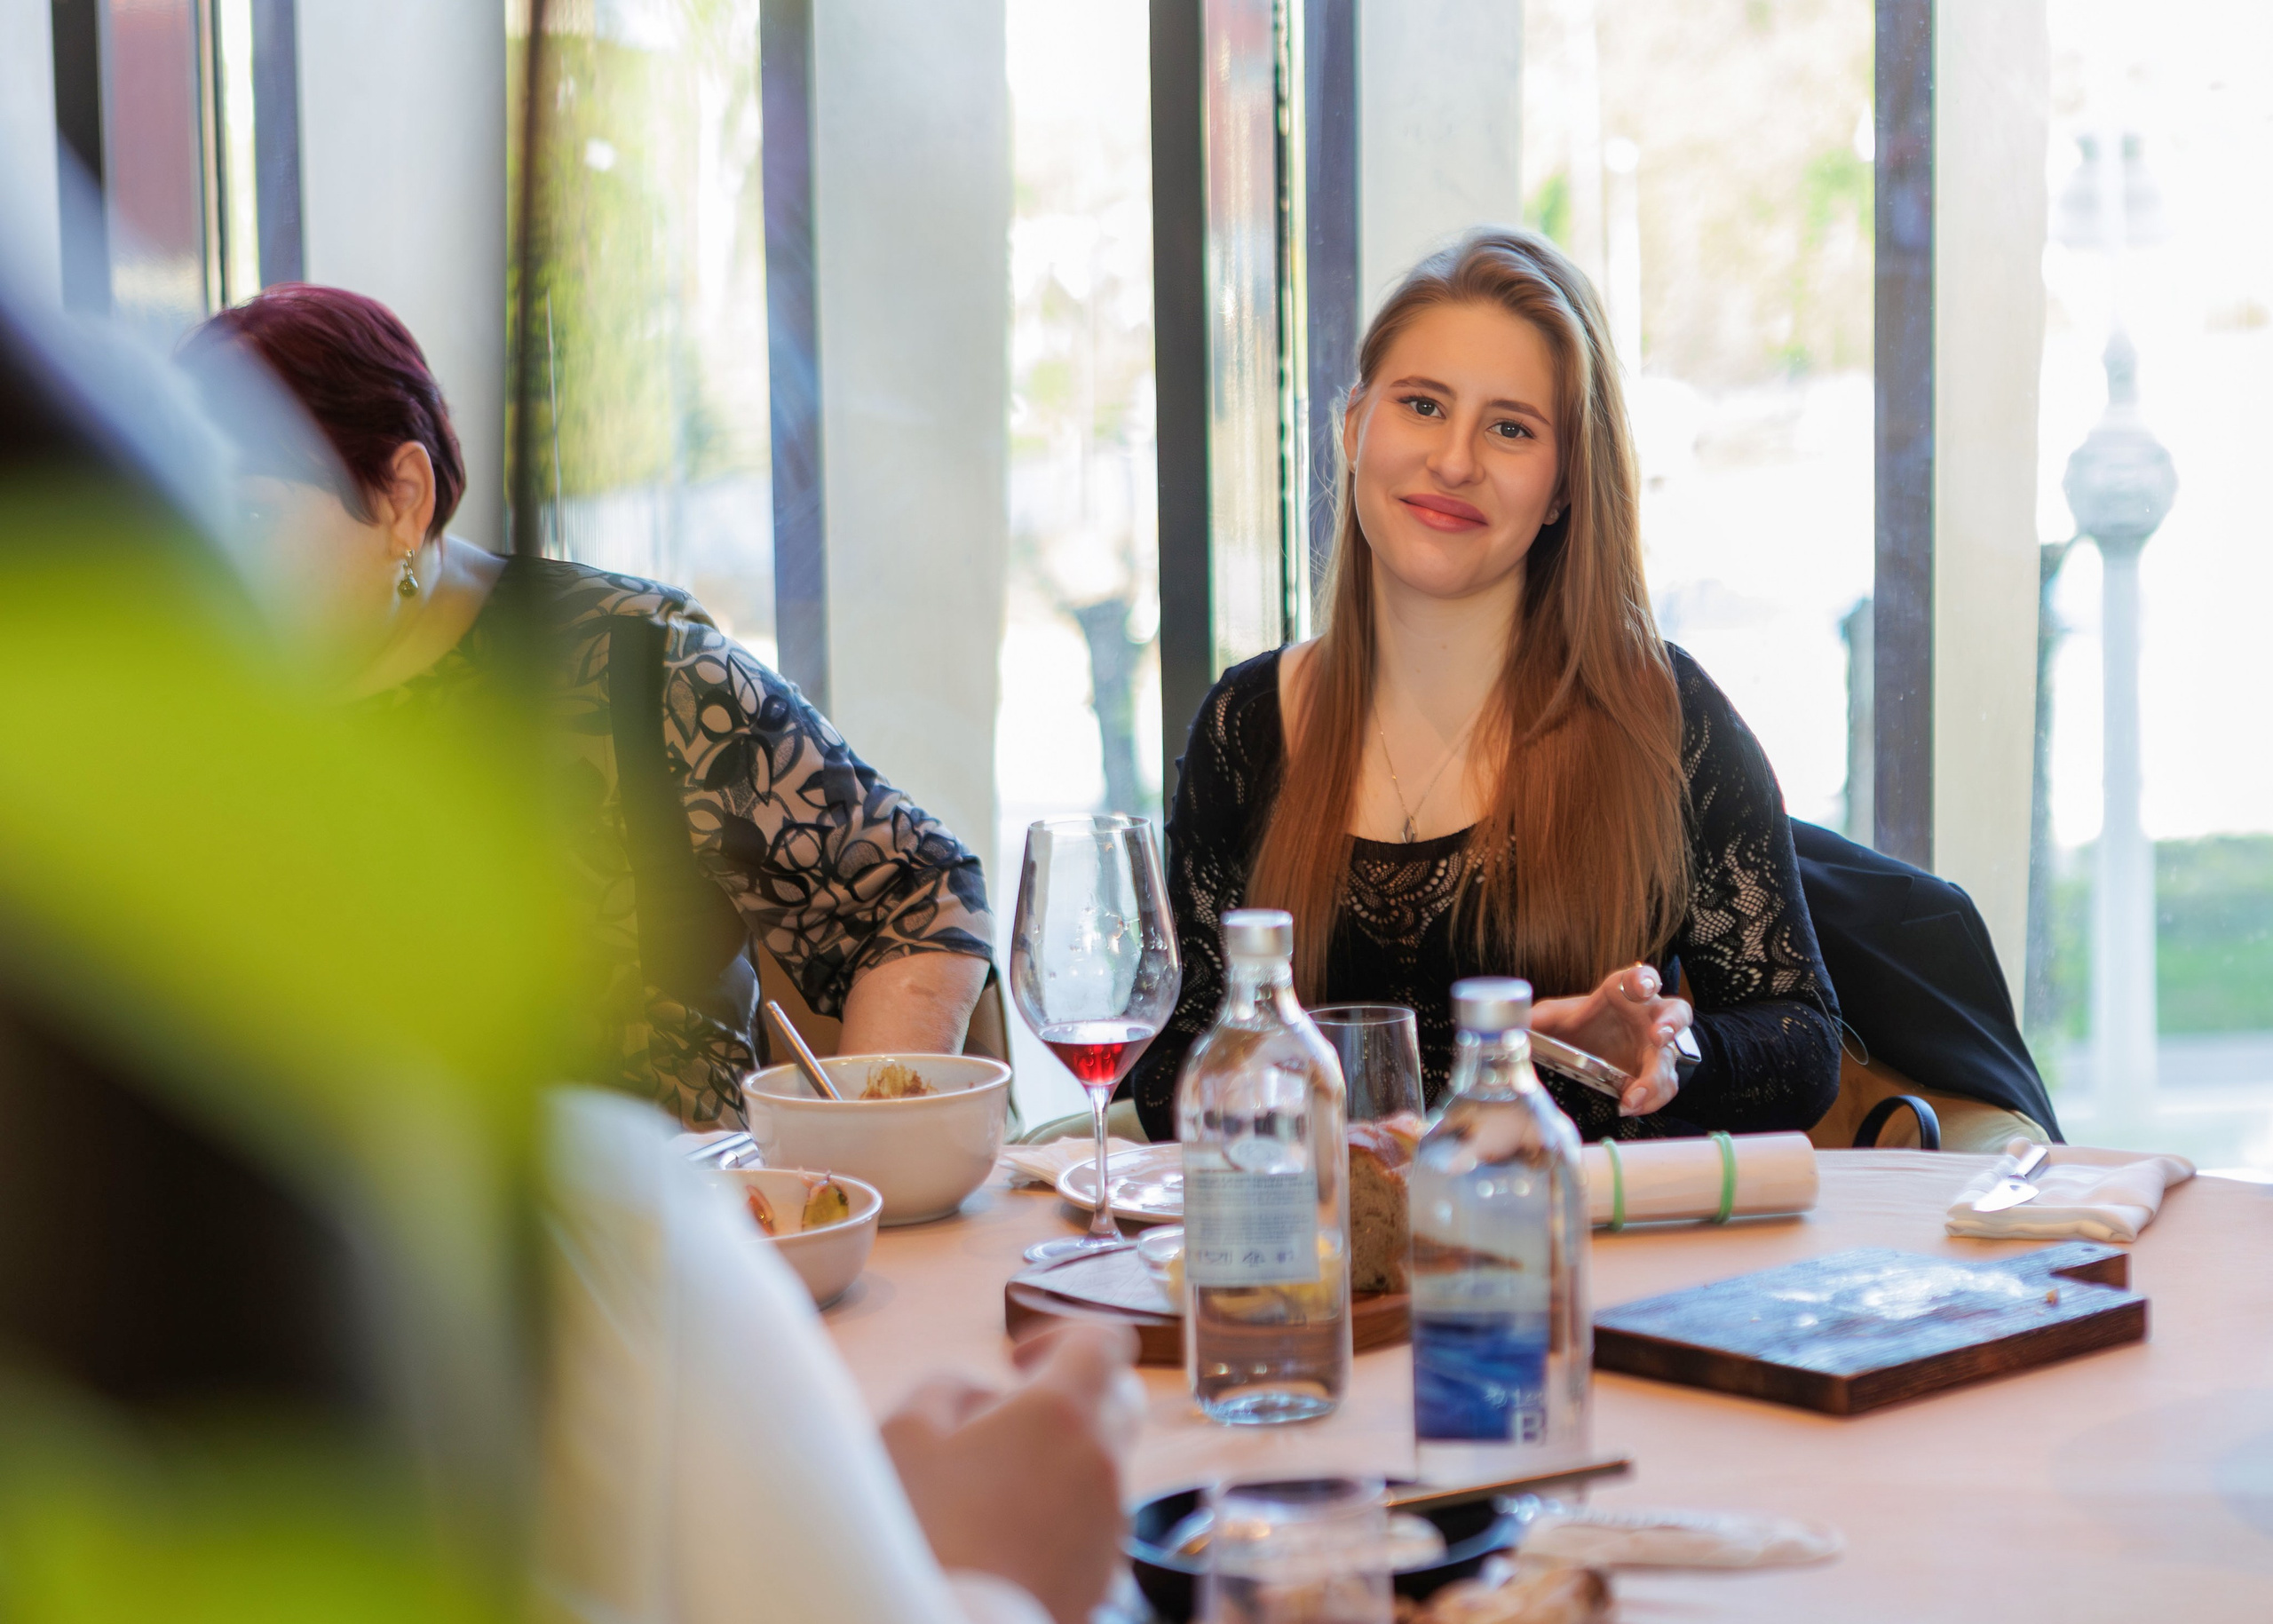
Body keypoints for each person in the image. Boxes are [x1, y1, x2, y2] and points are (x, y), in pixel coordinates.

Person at [179, 285, 994, 1129]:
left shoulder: (633, 665)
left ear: (400, 498)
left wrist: (857, 1170)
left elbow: (918, 891)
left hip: (658, 1230)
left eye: (249, 513)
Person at [1128, 228, 1841, 1142]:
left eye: (1510, 427)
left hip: (1578, 1264)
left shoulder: (1661, 714)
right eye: (1422, 405)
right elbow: (1168, 1063)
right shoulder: (1244, 726)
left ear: (1561, 488)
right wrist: (1353, 1107)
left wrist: (1660, 1054)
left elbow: (1802, 1040)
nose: (1455, 460)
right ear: (1354, 428)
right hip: (1320, 1272)